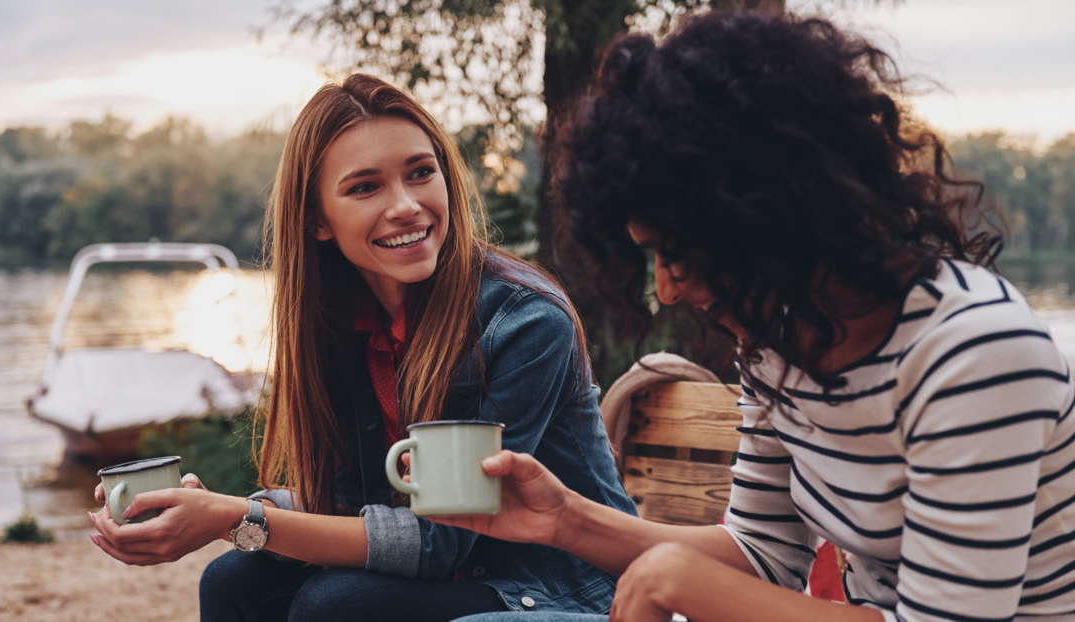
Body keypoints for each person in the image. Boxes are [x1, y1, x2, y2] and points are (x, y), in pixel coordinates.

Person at [436, 10, 1075, 622]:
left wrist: (674, 580)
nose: (667, 288)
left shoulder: (977, 355)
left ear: (772, 212)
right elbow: (761, 557)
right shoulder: (778, 346)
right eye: (651, 256)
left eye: (677, 253)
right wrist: (565, 521)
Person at [86, 74, 636, 621]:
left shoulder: (525, 321)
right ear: (317, 220)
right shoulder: (342, 321)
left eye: (422, 173)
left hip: (564, 588)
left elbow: (439, 541)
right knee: (233, 581)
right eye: (365, 187)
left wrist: (233, 518)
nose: (406, 206)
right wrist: (210, 508)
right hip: (463, 575)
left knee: (340, 606)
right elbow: (349, 508)